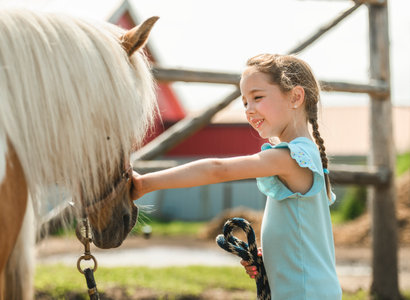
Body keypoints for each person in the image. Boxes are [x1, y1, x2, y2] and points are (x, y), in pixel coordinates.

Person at [131, 53, 342, 299]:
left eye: (257, 97)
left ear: (295, 97)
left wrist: (143, 184)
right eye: (244, 102)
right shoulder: (304, 155)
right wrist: (273, 260)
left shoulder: (293, 157)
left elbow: (219, 169)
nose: (249, 110)